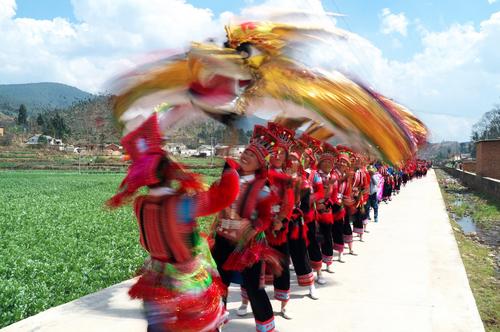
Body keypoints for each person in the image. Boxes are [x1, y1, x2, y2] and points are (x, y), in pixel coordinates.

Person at [107, 114, 240, 332]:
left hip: (156, 281)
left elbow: (145, 241)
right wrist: (229, 165)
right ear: (169, 171)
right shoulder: (182, 205)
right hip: (187, 287)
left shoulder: (140, 204)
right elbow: (224, 196)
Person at [212, 125, 281, 332]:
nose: (245, 156)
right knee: (218, 284)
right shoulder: (228, 179)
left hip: (248, 244)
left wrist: (253, 227)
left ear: (260, 163)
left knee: (253, 288)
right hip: (223, 239)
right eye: (245, 152)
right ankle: (215, 325)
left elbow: (269, 217)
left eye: (251, 154)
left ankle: (267, 328)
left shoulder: (263, 187)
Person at [286, 142, 318, 300]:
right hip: (279, 224)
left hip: (295, 222)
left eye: (294, 159)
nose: (291, 162)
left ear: (299, 164)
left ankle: (311, 285)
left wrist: (294, 213)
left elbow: (306, 207)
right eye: (289, 159)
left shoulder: (303, 182)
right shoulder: (278, 179)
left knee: (300, 253)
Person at [299, 134, 326, 284]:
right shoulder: (292, 173)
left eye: (306, 156)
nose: (303, 159)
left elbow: (321, 192)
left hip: (308, 215)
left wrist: (309, 199)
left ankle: (319, 272)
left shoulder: (314, 175)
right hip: (293, 216)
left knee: (313, 243)